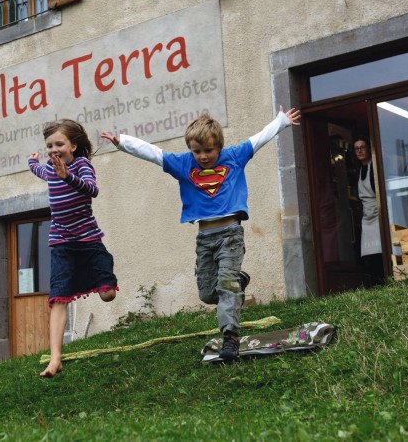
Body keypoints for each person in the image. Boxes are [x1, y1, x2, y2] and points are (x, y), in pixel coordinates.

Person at [101, 106, 300, 361]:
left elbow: (259, 138)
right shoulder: (184, 164)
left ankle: (230, 337)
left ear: (219, 147)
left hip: (230, 235)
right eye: (197, 151)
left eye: (208, 150)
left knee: (226, 286)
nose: (203, 156)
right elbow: (153, 153)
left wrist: (281, 121)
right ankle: (238, 283)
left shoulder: (235, 156)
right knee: (207, 293)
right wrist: (123, 142)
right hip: (205, 238)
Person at [28, 119, 118, 377]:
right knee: (58, 298)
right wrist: (32, 162)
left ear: (73, 146)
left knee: (108, 294)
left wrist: (67, 177)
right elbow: (38, 170)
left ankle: (97, 279)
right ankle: (55, 358)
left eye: (59, 144)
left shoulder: (81, 165)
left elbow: (92, 190)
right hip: (61, 242)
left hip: (89, 240)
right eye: (49, 146)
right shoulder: (49, 168)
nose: (53, 150)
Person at [352, 137, 384, 285]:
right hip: (367, 217)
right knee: (368, 253)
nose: (359, 151)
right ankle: (374, 282)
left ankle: (383, 280)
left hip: (378, 214)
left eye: (362, 147)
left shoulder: (375, 168)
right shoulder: (359, 171)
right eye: (356, 148)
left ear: (369, 149)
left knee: (380, 251)